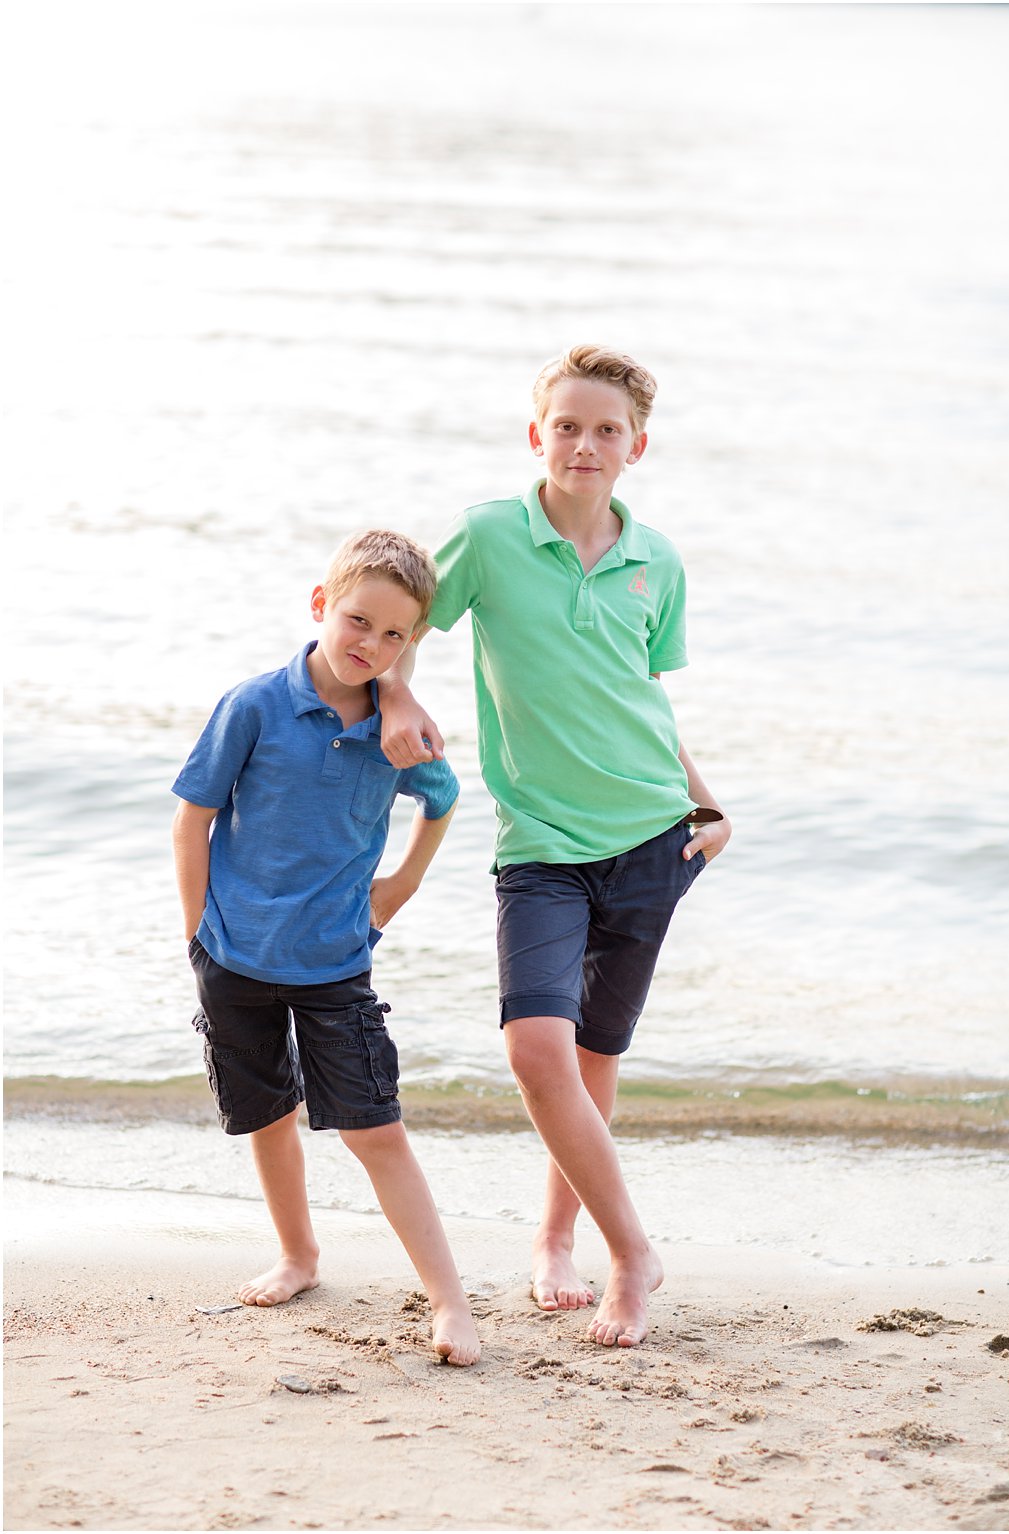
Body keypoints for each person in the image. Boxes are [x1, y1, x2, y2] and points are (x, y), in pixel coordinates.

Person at [376, 345, 730, 1348]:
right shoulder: (489, 536)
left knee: (593, 1056)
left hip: (654, 836)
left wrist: (706, 805)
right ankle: (634, 1252)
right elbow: (401, 624)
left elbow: (639, 694)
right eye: (566, 425)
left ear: (636, 448)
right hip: (538, 841)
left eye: (605, 430)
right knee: (538, 1051)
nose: (584, 443)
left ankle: (555, 1244)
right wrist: (396, 693)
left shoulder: (656, 561)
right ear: (538, 435)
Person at [172, 530, 478, 1366]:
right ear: (321, 605)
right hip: (233, 957)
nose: (370, 645)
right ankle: (299, 1257)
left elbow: (442, 797)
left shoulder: (394, 723)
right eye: (357, 621)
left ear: (411, 646)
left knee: (375, 1129)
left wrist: (404, 883)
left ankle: (450, 1301)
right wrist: (198, 929)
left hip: (337, 961)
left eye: (394, 636)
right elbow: (194, 818)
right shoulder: (255, 705)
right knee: (267, 1114)